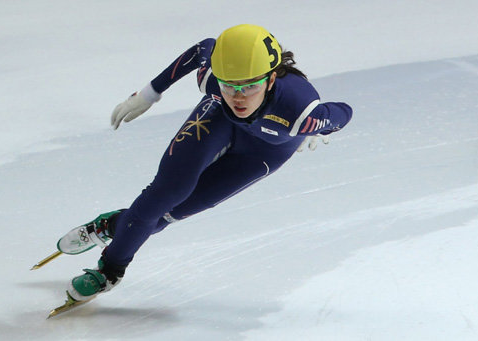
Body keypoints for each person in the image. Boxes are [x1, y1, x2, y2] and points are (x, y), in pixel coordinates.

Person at [58, 24, 353, 301]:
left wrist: (321, 127)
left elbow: (344, 111)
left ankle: (112, 225)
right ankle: (110, 269)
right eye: (229, 85)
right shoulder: (212, 82)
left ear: (271, 78)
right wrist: (149, 94)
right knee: (163, 195)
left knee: (169, 214)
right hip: (217, 121)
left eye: (249, 86)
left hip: (262, 152)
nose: (238, 97)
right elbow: (203, 48)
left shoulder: (300, 113)